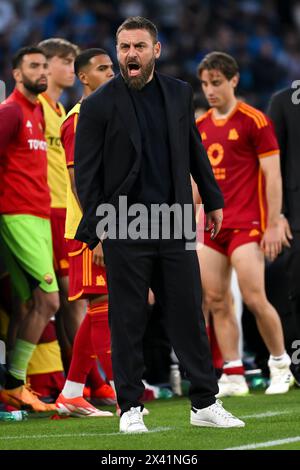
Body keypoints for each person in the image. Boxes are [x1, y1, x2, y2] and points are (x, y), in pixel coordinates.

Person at [74, 16, 244, 433]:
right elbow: (86, 176)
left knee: (187, 314)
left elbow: (193, 148)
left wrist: (214, 199)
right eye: (124, 47)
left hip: (174, 219)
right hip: (123, 223)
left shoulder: (178, 93)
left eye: (139, 46)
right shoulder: (97, 105)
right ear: (118, 51)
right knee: (127, 319)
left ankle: (204, 402)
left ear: (156, 51)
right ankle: (129, 408)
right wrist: (98, 229)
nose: (131, 54)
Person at [195, 51, 293, 397]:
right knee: (216, 299)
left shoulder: (255, 120)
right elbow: (195, 180)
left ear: (234, 80)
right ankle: (233, 373)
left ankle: (280, 365)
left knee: (253, 296)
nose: (210, 90)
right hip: (212, 228)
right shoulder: (200, 127)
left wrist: (273, 221)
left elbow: (272, 176)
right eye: (205, 84)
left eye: (216, 83)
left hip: (247, 223)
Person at [56, 48, 116, 417]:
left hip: (109, 224)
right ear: (84, 77)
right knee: (102, 306)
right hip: (89, 230)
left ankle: (72, 392)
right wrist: (100, 233)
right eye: (102, 68)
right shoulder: (79, 120)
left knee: (104, 307)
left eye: (112, 67)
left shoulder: (106, 114)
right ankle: (124, 389)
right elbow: (81, 183)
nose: (111, 72)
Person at [0, 46, 59, 411]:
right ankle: (16, 382)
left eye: (44, 66)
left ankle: (10, 389)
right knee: (49, 300)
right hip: (17, 215)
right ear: (17, 74)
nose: (42, 72)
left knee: (25, 305)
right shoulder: (9, 113)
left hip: (38, 215)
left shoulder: (38, 110)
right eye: (33, 67)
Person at [37, 38, 84, 370]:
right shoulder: (33, 106)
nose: (72, 69)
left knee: (71, 301)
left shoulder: (61, 111)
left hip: (63, 213)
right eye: (66, 62)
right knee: (56, 301)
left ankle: (78, 378)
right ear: (46, 65)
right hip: (41, 212)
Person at [268, 87, 300, 385]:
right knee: (294, 294)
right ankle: (295, 365)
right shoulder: (284, 101)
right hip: (295, 218)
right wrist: (277, 215)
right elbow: (271, 163)